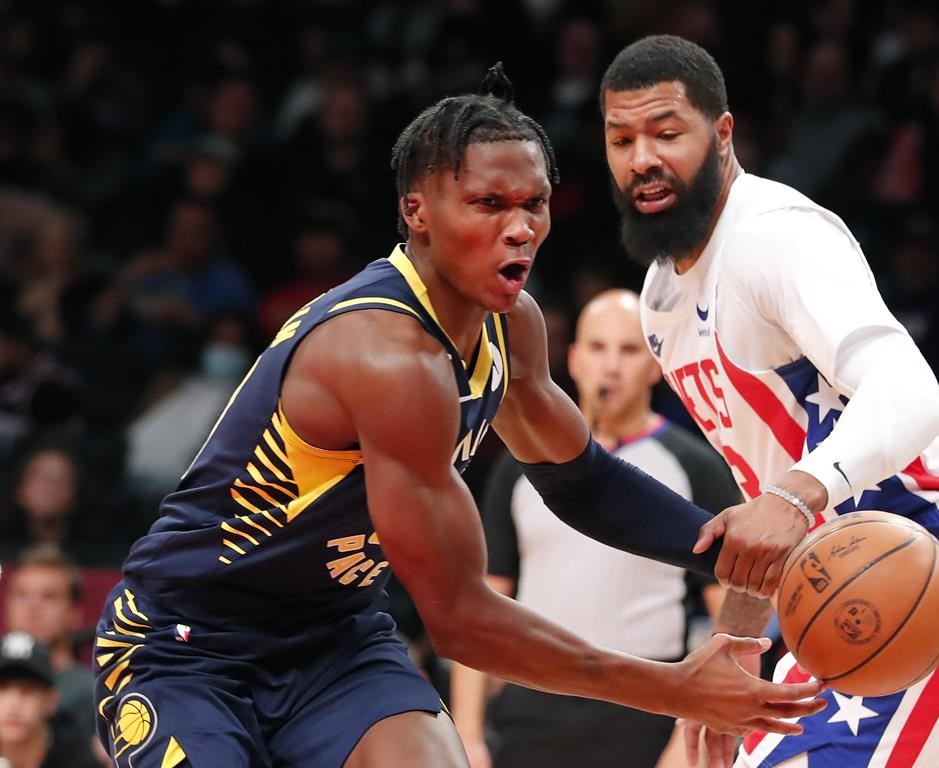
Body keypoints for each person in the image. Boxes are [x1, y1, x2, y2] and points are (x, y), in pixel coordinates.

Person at [91, 66, 824, 768]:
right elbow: (458, 617)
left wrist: (731, 552)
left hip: (333, 637)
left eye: (532, 203)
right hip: (186, 645)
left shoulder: (512, 327)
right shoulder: (387, 358)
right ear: (418, 212)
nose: (521, 229)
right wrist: (672, 689)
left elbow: (581, 483)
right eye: (488, 204)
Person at [600, 34, 939, 768]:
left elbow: (912, 393)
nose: (642, 158)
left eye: (666, 133)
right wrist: (736, 645)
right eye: (621, 139)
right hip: (840, 605)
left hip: (938, 572)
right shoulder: (660, 300)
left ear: (722, 134)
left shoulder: (774, 238)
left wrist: (797, 496)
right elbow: (759, 502)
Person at [450, 288, 742, 768]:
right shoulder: (521, 462)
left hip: (648, 704)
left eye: (628, 350)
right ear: (573, 359)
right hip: (533, 702)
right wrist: (467, 732)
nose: (611, 366)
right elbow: (483, 598)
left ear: (654, 366)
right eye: (598, 348)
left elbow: (731, 614)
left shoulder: (694, 466)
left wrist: (688, 730)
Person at [4, 544, 96, 748]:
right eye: (21, 595)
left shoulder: (95, 695)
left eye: (48, 597)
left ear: (74, 613)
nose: (32, 607)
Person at [0, 630, 103, 768]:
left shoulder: (80, 761)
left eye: (28, 690)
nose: (14, 703)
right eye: (3, 688)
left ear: (51, 701)